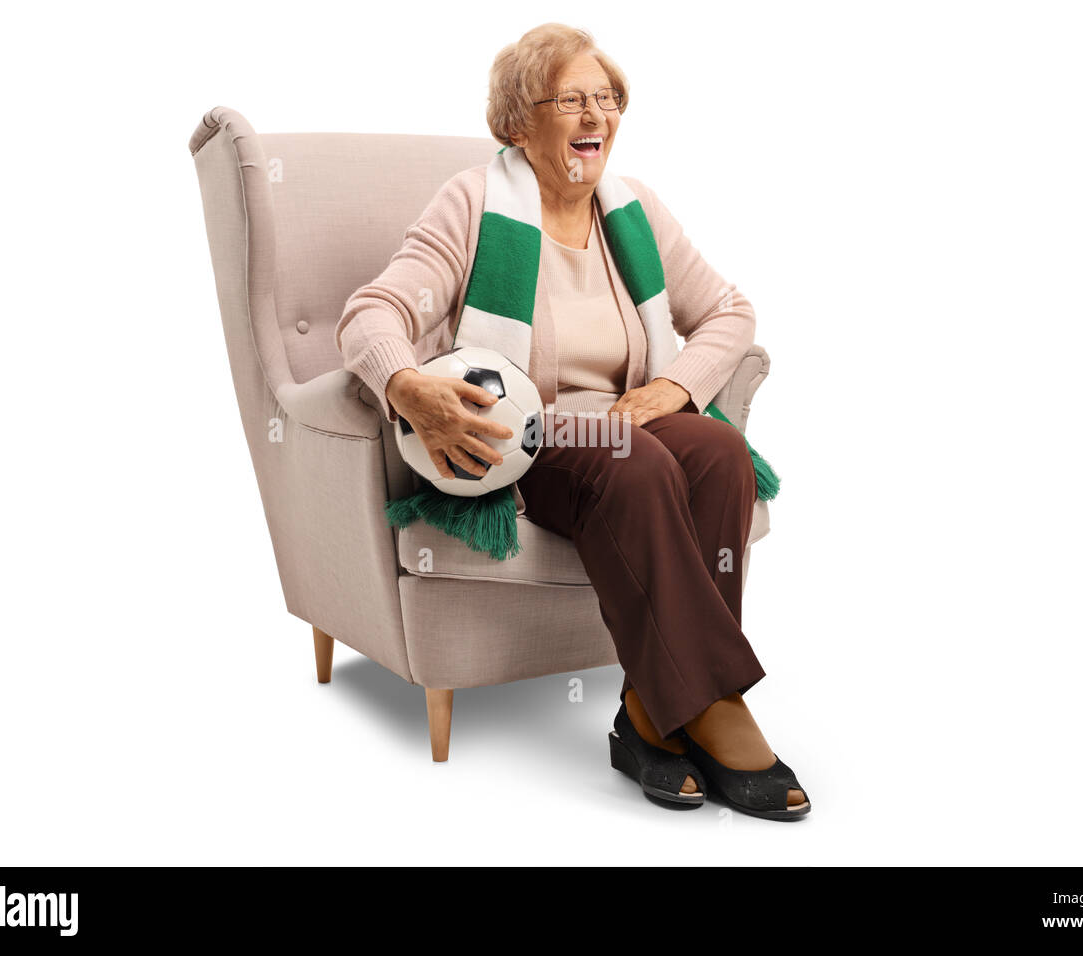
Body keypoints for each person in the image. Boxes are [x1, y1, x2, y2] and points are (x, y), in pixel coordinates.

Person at [336, 23, 809, 821]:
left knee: (720, 453)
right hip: (534, 435)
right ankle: (715, 704)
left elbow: (731, 311)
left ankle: (653, 718)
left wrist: (676, 389)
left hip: (628, 419)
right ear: (520, 121)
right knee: (638, 460)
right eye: (573, 100)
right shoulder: (475, 202)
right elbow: (370, 313)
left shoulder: (634, 208)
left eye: (607, 98)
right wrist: (408, 385)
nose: (597, 116)